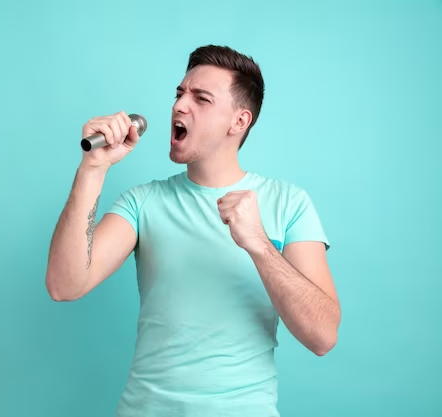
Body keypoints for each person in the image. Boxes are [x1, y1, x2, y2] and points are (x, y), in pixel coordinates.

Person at [45, 45, 341, 417]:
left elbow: (323, 336)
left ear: (239, 121)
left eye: (201, 98)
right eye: (179, 94)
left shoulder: (289, 203)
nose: (179, 106)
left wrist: (259, 244)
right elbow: (64, 284)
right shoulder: (143, 203)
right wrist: (92, 169)